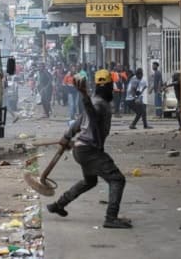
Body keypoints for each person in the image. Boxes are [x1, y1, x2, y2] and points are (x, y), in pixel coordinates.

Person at [46, 70, 131, 229]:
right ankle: (111, 217)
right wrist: (84, 96)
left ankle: (58, 205)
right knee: (117, 179)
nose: (112, 90)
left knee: (90, 181)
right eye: (111, 86)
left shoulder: (95, 101)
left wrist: (67, 136)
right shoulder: (98, 104)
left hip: (82, 149)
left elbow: (78, 122)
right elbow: (92, 115)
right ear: (109, 87)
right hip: (89, 150)